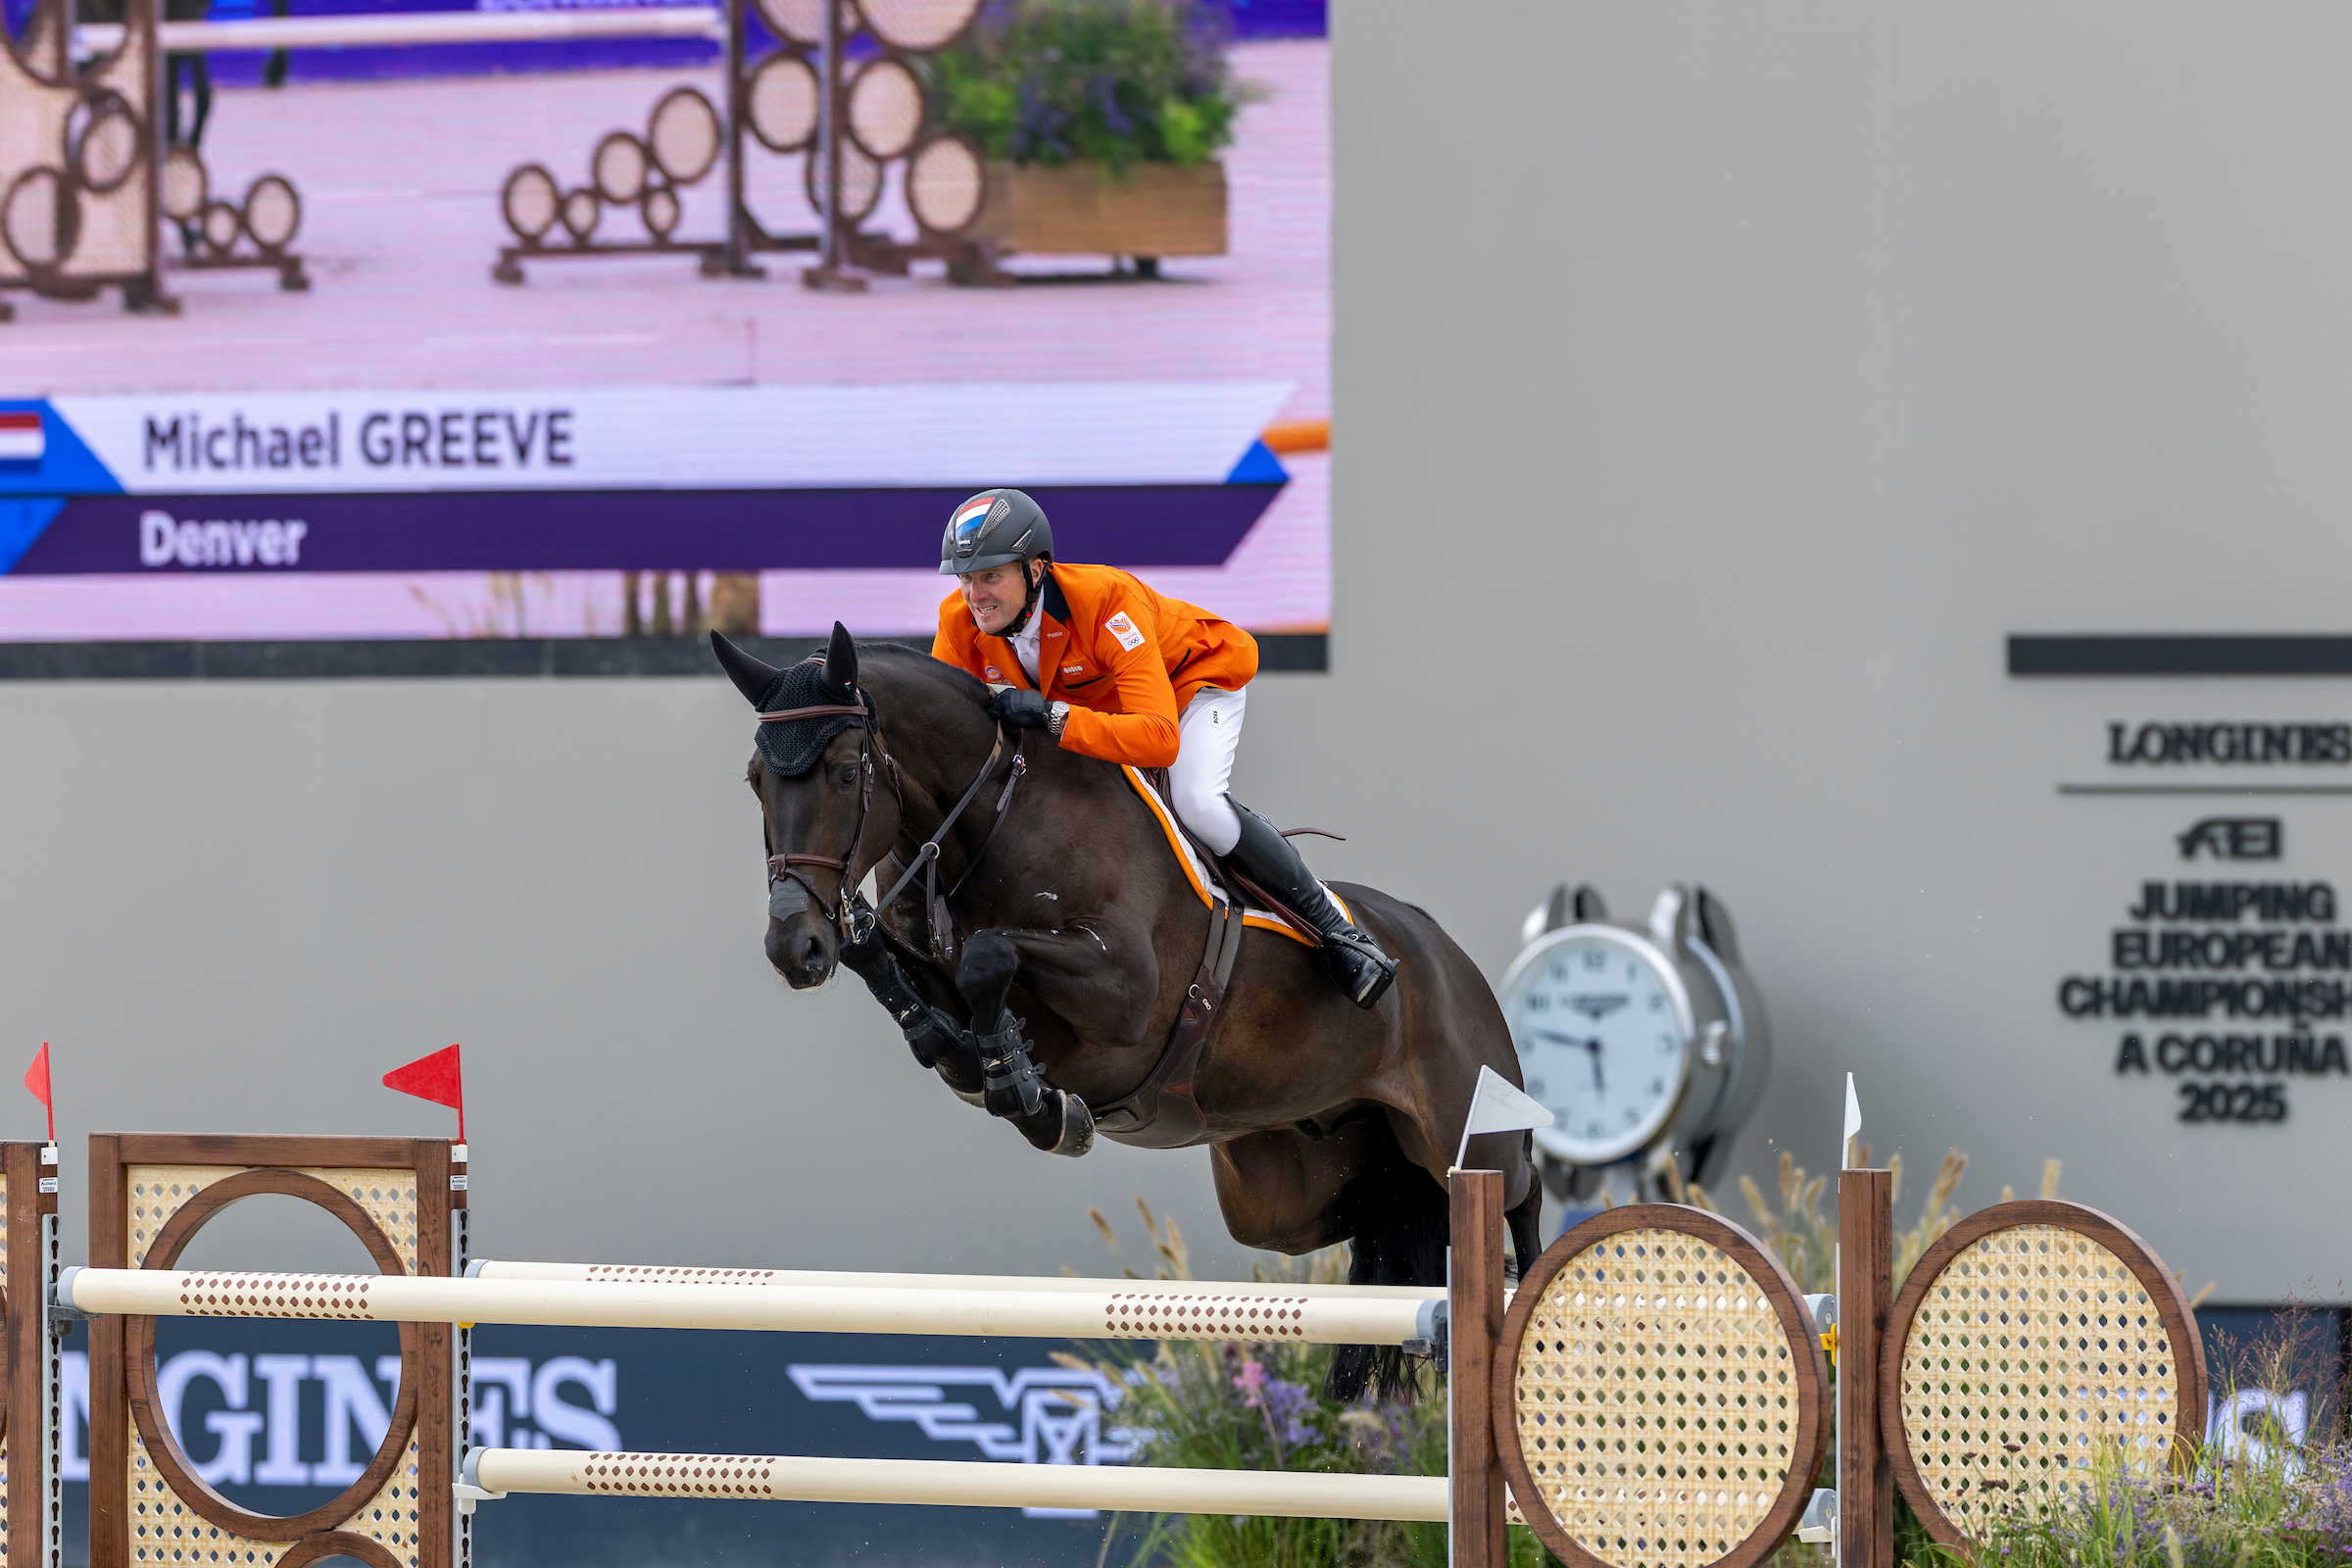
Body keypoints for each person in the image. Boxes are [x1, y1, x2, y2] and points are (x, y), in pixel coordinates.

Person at [931, 487, 1396, 1009]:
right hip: (1109, 715)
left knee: (1196, 803)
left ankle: (1336, 929)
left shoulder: (1106, 601)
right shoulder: (958, 621)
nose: (975, 595)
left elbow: (1157, 739)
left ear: (1036, 569)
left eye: (990, 576)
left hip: (1193, 687)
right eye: (965, 578)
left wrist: (1051, 716)